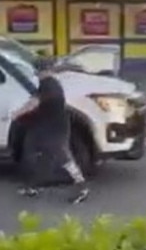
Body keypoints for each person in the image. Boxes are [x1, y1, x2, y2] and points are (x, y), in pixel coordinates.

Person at [12, 58, 89, 204]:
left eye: (38, 71)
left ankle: (81, 187)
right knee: (32, 152)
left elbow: (34, 102)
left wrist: (17, 113)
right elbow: (36, 99)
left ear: (44, 71)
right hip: (43, 125)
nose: (37, 74)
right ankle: (34, 185)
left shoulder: (49, 85)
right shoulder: (47, 83)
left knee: (62, 157)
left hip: (55, 127)